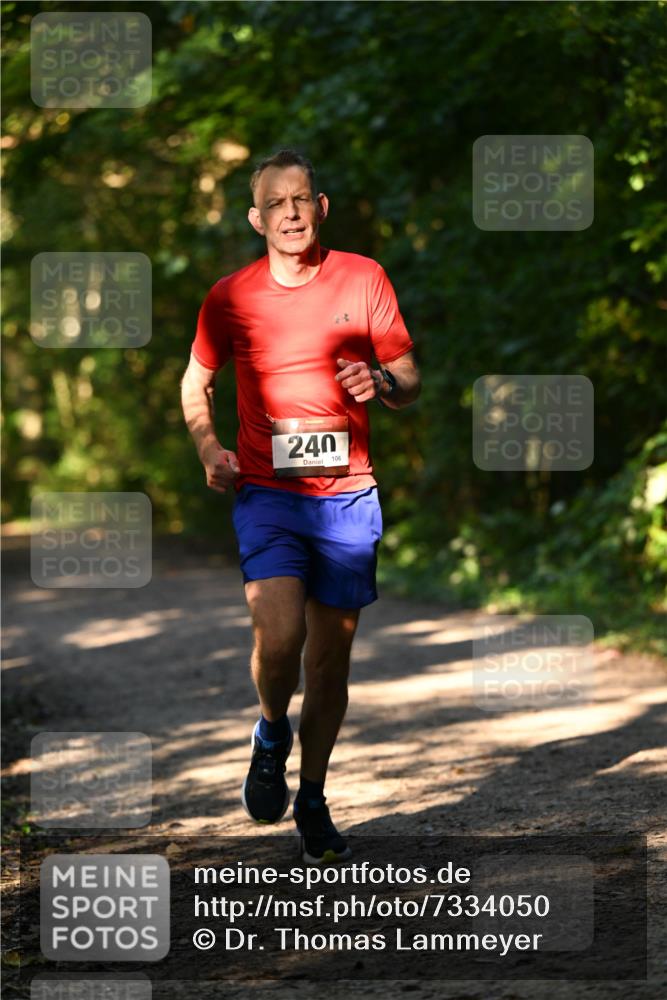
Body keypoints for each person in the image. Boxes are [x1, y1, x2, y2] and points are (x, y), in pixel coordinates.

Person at [181, 149, 420, 864]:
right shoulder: (230, 297)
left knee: (330, 662)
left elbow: (408, 378)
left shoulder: (363, 277)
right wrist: (208, 448)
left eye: (301, 199)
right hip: (268, 493)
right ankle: (269, 730)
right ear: (256, 219)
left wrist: (380, 380)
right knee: (280, 639)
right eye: (275, 203)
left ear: (321, 208)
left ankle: (311, 796)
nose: (290, 212)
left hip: (347, 494)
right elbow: (195, 383)